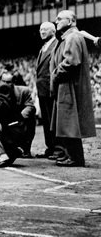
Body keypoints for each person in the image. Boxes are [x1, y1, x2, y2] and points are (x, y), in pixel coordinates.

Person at [50, 10, 97, 167]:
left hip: (69, 85)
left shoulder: (72, 37)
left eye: (59, 19)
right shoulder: (70, 37)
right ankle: (71, 155)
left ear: (70, 21)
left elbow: (71, 62)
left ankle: (75, 157)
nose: (56, 21)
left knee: (69, 122)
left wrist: (55, 73)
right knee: (67, 122)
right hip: (67, 84)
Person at [34, 21, 59, 158]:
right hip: (42, 89)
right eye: (40, 30)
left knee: (52, 120)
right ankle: (50, 147)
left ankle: (56, 148)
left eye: (45, 29)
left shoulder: (56, 45)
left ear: (53, 31)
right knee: (46, 120)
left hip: (50, 89)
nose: (42, 32)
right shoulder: (43, 47)